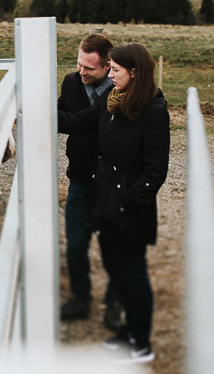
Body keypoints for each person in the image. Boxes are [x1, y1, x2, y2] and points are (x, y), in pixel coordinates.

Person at [57, 42, 170, 365]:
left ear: (133, 73)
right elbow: (78, 122)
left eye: (116, 71)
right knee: (116, 270)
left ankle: (141, 343)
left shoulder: (153, 111)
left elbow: (155, 170)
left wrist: (129, 202)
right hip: (106, 204)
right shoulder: (112, 100)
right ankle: (126, 335)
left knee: (133, 275)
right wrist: (31, 112)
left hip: (129, 210)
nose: (111, 76)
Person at [57, 33, 122, 331]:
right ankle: (81, 298)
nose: (81, 72)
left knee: (114, 246)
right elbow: (61, 112)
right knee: (76, 244)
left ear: (108, 66)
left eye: (89, 68)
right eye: (79, 64)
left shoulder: (122, 91)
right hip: (80, 179)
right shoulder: (72, 83)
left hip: (112, 184)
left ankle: (114, 303)